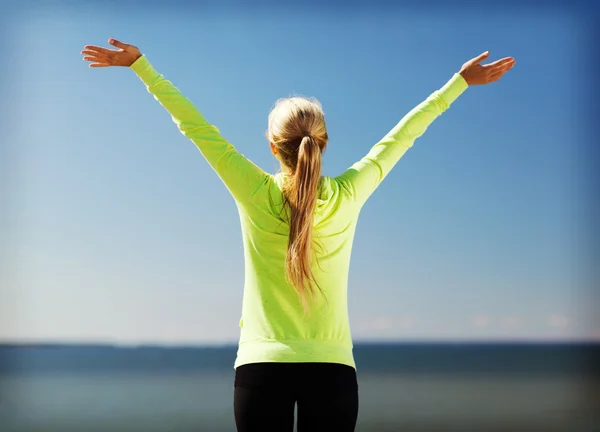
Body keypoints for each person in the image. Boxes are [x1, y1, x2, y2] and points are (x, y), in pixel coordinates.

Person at [81, 38, 515, 432]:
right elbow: (402, 137)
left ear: (273, 146)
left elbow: (195, 127)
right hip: (333, 371)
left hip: (260, 370)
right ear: (323, 143)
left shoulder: (254, 191)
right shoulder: (348, 193)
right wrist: (459, 83)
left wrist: (142, 67)